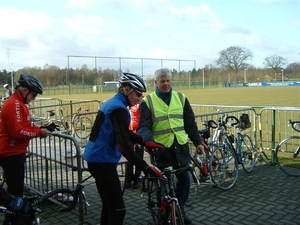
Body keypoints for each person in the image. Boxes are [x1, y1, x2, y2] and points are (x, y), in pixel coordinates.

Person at [83, 72, 165, 225]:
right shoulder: (119, 109)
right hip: (102, 161)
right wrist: (146, 168)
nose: (139, 98)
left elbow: (123, 131)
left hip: (97, 158)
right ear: (126, 89)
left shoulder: (114, 103)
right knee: (118, 210)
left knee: (109, 207)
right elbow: (124, 146)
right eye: (138, 94)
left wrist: (143, 141)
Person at [137, 68, 204, 225]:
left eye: (168, 80)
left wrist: (197, 142)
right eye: (162, 81)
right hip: (160, 150)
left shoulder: (181, 98)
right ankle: (162, 213)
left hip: (180, 148)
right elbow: (143, 127)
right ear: (156, 83)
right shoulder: (148, 101)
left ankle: (178, 209)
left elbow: (190, 123)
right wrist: (148, 141)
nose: (166, 84)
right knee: (162, 185)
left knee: (185, 180)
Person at [0, 73, 52, 224]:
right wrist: (38, 132)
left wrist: (38, 128)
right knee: (15, 195)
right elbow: (17, 132)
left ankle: (10, 220)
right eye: (33, 94)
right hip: (11, 154)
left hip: (15, 153)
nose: (34, 98)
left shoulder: (20, 104)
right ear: (24, 91)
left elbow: (24, 127)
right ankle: (13, 221)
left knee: (15, 193)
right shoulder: (14, 104)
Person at [125, 99, 144, 189]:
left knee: (139, 157)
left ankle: (137, 179)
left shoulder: (141, 104)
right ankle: (128, 179)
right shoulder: (125, 104)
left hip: (138, 134)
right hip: (128, 134)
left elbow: (143, 120)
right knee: (129, 157)